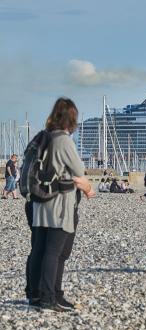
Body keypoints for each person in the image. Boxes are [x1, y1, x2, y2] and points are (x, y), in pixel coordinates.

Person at [26, 98, 96, 312]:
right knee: (55, 252)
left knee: (40, 250)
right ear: (71, 118)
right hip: (59, 205)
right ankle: (50, 297)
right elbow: (78, 170)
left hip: (40, 203)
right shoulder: (63, 140)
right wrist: (89, 189)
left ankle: (35, 295)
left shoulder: (44, 136)